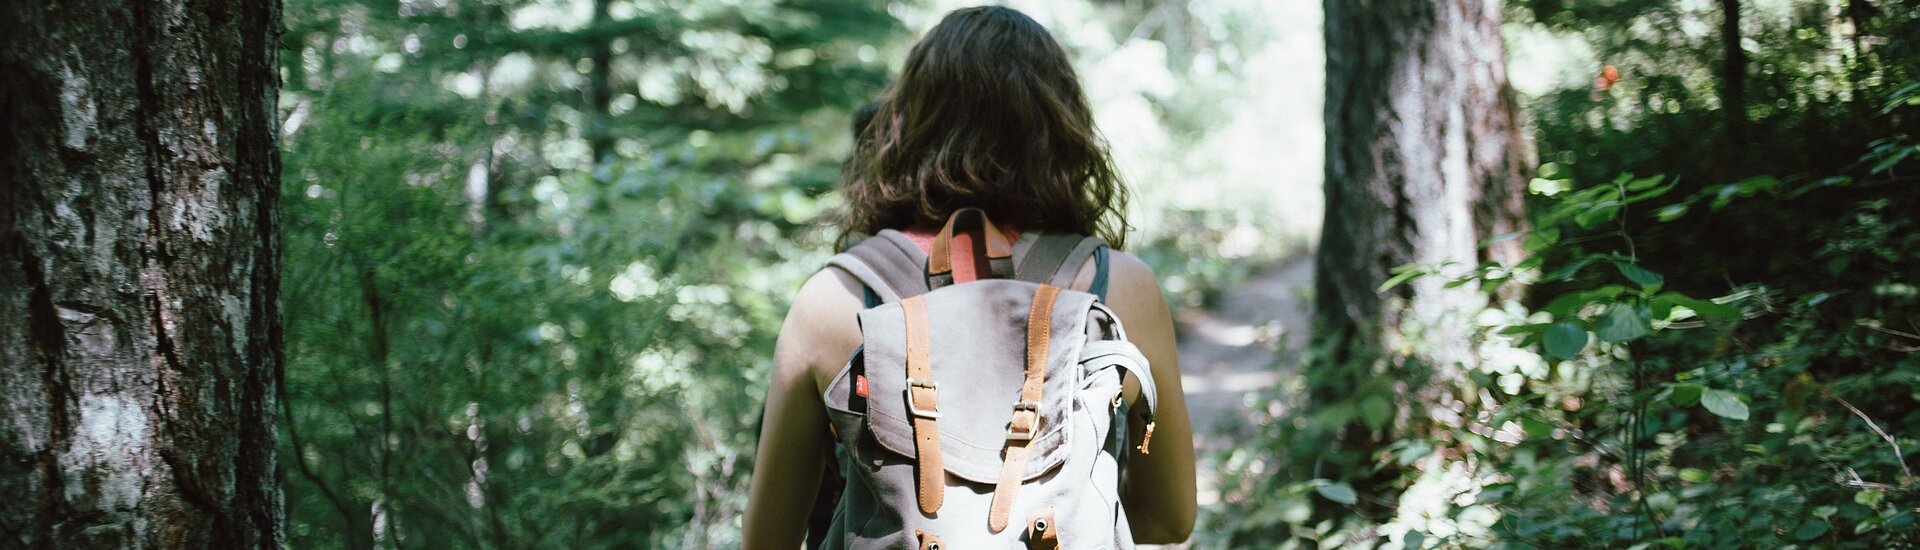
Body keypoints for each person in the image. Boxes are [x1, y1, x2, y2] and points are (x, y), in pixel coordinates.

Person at [743, 6, 1195, 547]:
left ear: (906, 123)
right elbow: (1170, 519)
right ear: (1061, 129)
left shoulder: (835, 298)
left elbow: (768, 538)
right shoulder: (1119, 287)